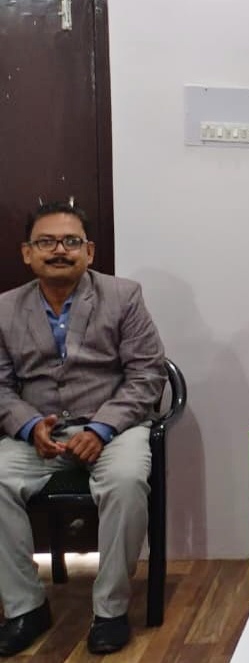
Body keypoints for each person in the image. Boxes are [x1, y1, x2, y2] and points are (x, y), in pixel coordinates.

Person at [0, 201, 166, 655]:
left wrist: (102, 429)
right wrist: (28, 425)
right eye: (46, 242)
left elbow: (147, 374)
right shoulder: (5, 308)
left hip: (114, 426)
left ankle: (110, 610)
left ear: (89, 252)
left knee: (127, 482)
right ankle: (25, 608)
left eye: (71, 241)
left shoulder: (123, 296)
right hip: (39, 435)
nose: (60, 250)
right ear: (27, 253)